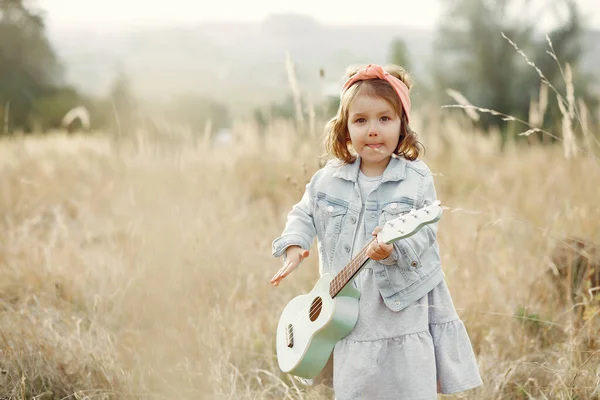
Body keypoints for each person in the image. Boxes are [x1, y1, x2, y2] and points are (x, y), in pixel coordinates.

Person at [270, 64, 482, 399]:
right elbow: (304, 210)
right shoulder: (328, 178)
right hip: (347, 306)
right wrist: (295, 244)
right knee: (358, 382)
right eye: (361, 120)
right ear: (344, 129)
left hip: (398, 305)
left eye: (385, 119)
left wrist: (394, 249)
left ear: (402, 126)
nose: (373, 129)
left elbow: (424, 232)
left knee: (405, 380)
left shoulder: (416, 178)